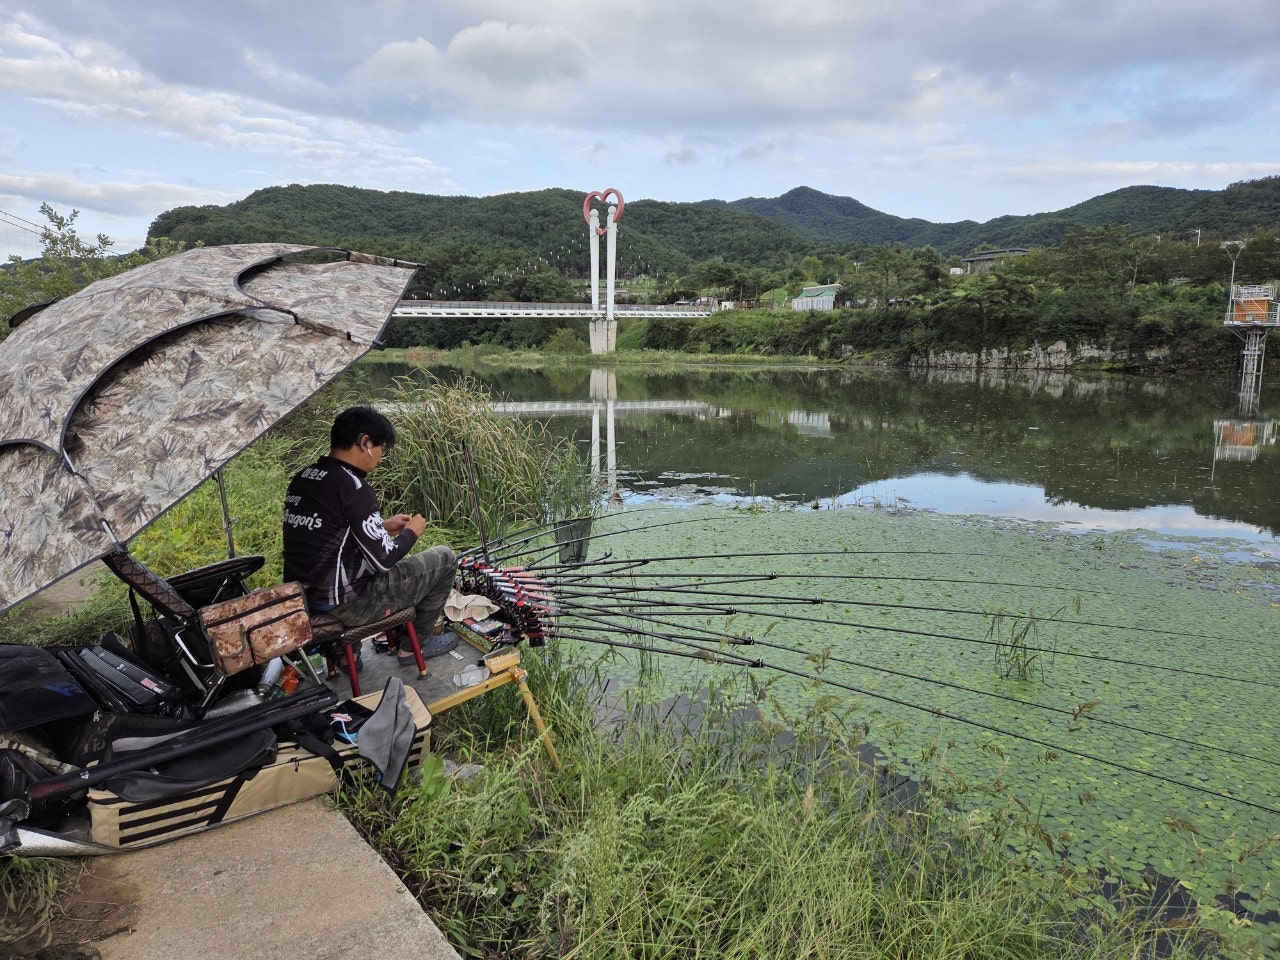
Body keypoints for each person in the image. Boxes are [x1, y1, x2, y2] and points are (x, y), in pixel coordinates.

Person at [282, 406, 457, 666]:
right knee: (445, 557)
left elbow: (328, 534)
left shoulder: (304, 478)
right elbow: (383, 560)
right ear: (365, 443)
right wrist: (411, 533)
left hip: (303, 597)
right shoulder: (353, 486)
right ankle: (415, 648)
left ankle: (344, 656)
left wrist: (383, 527)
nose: (379, 458)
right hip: (348, 605)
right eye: (381, 449)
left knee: (354, 571)